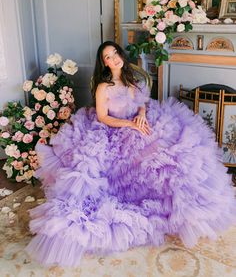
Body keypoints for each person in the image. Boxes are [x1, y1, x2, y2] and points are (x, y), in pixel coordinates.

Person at [26, 41, 236, 267]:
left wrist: (142, 116)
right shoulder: (103, 87)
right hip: (114, 130)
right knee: (137, 161)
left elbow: (142, 102)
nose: (114, 58)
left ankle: (188, 204)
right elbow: (104, 117)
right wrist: (130, 125)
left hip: (138, 122)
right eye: (108, 57)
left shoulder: (131, 79)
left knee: (176, 148)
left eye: (115, 53)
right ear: (103, 63)